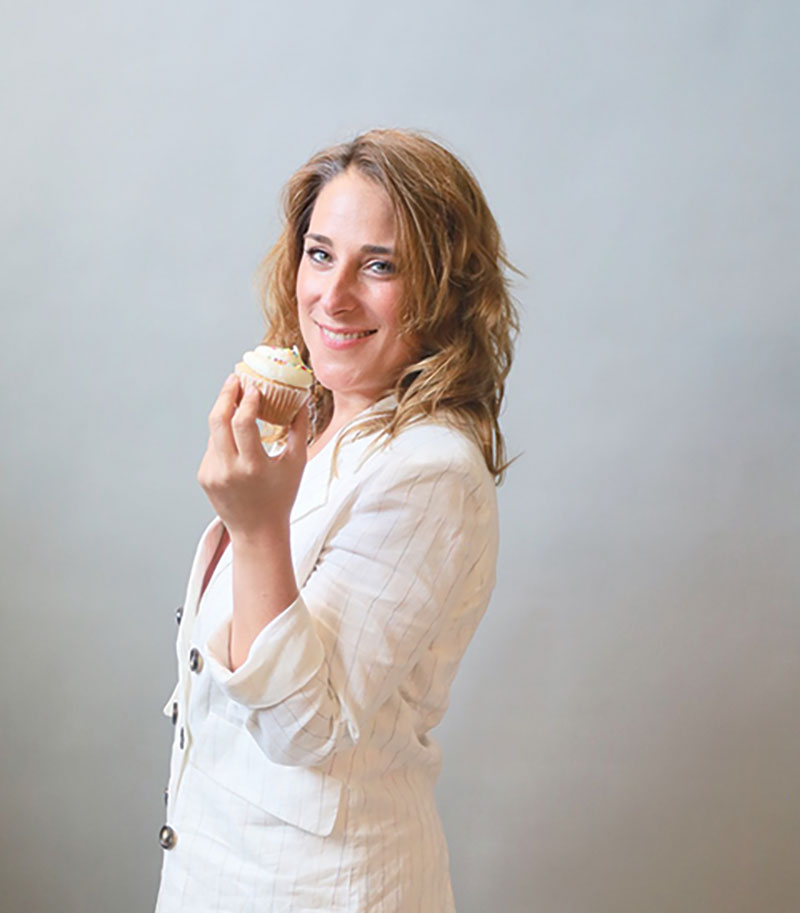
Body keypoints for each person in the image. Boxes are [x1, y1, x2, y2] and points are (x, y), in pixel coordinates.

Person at [155, 128, 518, 913]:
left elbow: (303, 729)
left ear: (446, 288)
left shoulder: (430, 472)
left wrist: (255, 529)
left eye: (380, 265)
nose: (334, 294)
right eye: (320, 254)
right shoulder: (312, 427)